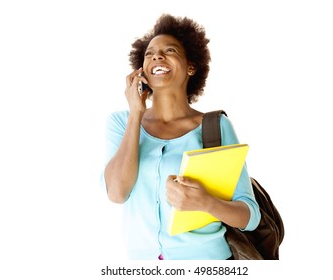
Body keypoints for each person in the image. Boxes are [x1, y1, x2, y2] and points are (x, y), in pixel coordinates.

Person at [102, 14, 261, 260]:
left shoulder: (214, 126)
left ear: (191, 67)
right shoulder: (121, 123)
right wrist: (136, 115)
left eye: (170, 50)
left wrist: (207, 203)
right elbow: (116, 193)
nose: (157, 56)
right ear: (141, 69)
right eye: (149, 53)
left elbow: (250, 216)